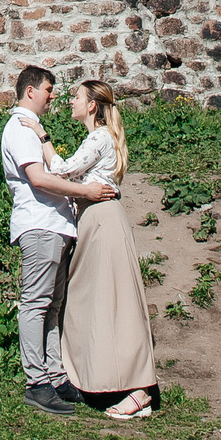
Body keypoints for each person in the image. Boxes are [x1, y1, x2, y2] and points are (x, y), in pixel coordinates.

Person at [2, 65, 112, 417]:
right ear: (30, 91)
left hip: (55, 226)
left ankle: (56, 375)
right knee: (36, 303)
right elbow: (38, 179)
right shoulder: (20, 128)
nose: (53, 96)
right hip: (40, 226)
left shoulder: (33, 131)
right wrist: (85, 192)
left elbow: (53, 169)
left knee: (52, 306)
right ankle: (37, 382)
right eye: (49, 89)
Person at [58, 79, 158, 419]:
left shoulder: (98, 137)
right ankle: (95, 378)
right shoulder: (101, 137)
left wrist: (40, 139)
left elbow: (63, 171)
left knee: (114, 301)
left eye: (76, 96)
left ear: (91, 106)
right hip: (97, 222)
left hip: (102, 223)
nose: (70, 101)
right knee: (94, 300)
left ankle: (139, 389)